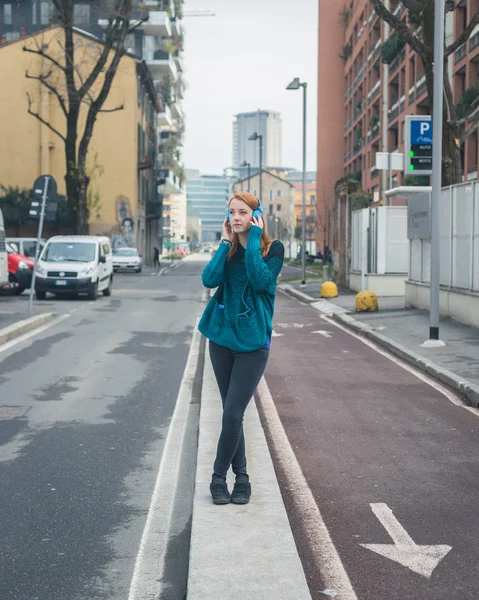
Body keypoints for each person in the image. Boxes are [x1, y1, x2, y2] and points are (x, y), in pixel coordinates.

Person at [198, 192, 285, 505]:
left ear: (256, 216)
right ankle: (243, 479)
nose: (236, 218)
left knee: (234, 413)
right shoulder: (229, 247)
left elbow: (262, 281)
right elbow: (208, 279)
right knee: (231, 416)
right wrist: (224, 244)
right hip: (221, 341)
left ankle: (218, 478)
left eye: (242, 213)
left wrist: (256, 238)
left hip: (252, 344)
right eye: (232, 213)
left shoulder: (273, 249)